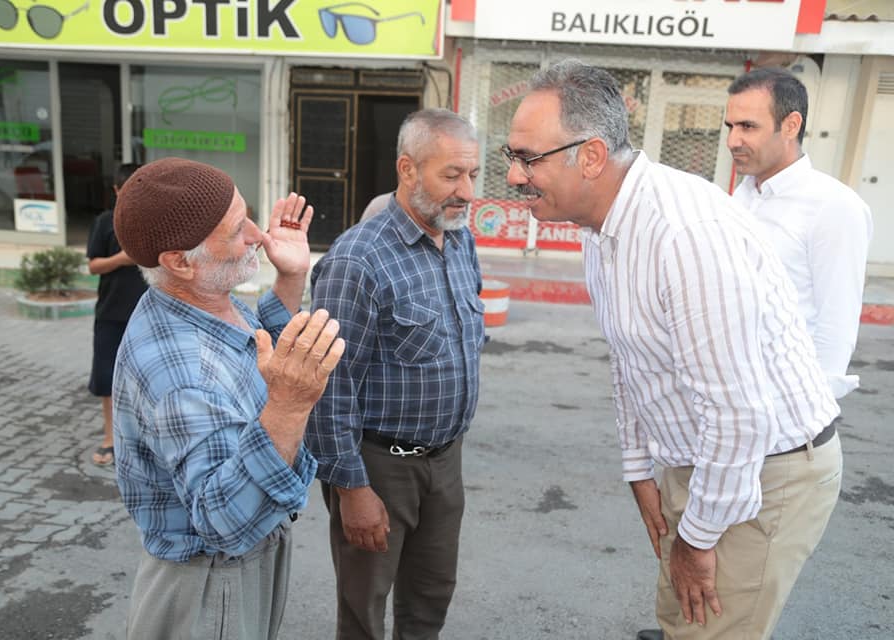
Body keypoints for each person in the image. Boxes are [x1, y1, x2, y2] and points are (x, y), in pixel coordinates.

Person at [505, 60, 842, 640]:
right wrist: (640, 469)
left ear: (590, 156)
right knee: (679, 621)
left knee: (706, 630)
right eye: (512, 157)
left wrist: (697, 538)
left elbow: (739, 415)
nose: (514, 176)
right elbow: (632, 357)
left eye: (528, 159)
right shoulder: (601, 228)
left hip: (763, 474)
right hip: (705, 463)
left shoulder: (684, 235)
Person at [110, 157, 345, 640]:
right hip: (212, 581)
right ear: (180, 261)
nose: (259, 235)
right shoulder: (183, 377)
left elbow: (252, 351)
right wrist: (289, 407)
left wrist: (291, 279)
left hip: (235, 566)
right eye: (238, 230)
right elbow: (226, 522)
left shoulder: (199, 298)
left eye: (249, 215)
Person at [307, 108, 485, 640]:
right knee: (364, 609)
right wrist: (352, 489)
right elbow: (329, 387)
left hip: (445, 461)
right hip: (379, 468)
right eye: (451, 175)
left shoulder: (460, 241)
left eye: (473, 174)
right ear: (408, 169)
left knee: (431, 596)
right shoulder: (357, 260)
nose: (467, 191)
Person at [725, 67, 873, 399]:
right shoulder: (742, 196)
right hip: (734, 399)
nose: (733, 141)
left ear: (791, 125)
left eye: (748, 126)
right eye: (730, 127)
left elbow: (836, 325)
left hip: (787, 407)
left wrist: (809, 409)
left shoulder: (834, 206)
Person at [86, 162, 147, 466]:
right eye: (127, 190)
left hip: (147, 316)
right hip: (110, 314)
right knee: (107, 378)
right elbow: (93, 266)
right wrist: (121, 259)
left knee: (146, 380)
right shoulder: (104, 222)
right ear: (116, 190)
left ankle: (145, 440)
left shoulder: (153, 223)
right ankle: (110, 438)